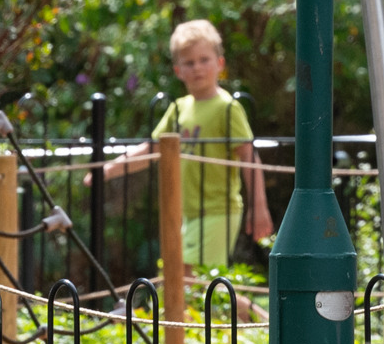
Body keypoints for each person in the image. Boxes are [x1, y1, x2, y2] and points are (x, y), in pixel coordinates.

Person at [104, 21, 272, 268]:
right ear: (178, 70)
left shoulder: (226, 108)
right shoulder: (178, 108)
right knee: (188, 283)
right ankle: (258, 310)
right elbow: (153, 148)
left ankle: (261, 310)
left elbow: (248, 156)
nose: (198, 68)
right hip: (187, 214)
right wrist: (107, 170)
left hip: (218, 211)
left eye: (204, 60)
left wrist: (258, 207)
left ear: (220, 63)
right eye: (189, 63)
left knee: (195, 282)